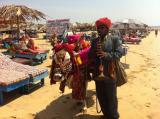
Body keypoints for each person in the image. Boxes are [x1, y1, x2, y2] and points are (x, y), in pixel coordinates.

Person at [88, 17, 123, 119]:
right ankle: (106, 115)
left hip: (110, 73)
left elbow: (120, 53)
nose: (100, 30)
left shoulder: (114, 39)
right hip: (97, 74)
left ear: (107, 29)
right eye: (99, 28)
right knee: (101, 96)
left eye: (102, 27)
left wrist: (106, 55)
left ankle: (114, 116)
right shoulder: (94, 41)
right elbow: (90, 56)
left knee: (111, 97)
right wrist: (94, 50)